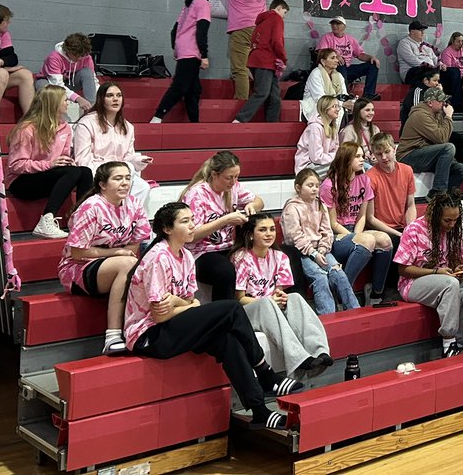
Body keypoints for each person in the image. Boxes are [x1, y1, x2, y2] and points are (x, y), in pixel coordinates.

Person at [123, 202, 286, 429]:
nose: (192, 226)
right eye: (185, 221)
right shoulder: (158, 257)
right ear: (167, 229)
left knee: (227, 341)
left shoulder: (187, 256)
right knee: (231, 308)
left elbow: (193, 301)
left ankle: (259, 410)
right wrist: (188, 306)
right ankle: (265, 372)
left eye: (192, 220)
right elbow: (160, 316)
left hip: (173, 324)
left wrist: (180, 303)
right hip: (148, 335)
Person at [58, 161, 150, 354]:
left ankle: (141, 330)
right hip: (77, 269)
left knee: (143, 265)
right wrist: (114, 252)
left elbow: (134, 247)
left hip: (115, 265)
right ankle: (113, 336)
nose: (125, 183)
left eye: (127, 178)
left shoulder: (134, 204)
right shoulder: (90, 208)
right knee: (128, 263)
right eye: (118, 178)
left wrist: (120, 255)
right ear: (102, 184)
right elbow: (78, 253)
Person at [231, 213, 332, 381]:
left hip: (271, 307)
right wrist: (270, 301)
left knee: (295, 298)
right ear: (250, 234)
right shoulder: (241, 258)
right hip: (250, 310)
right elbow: (240, 298)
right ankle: (298, 359)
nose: (269, 234)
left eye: (271, 229)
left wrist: (280, 298)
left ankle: (320, 351)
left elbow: (279, 292)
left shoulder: (280, 257)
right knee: (266, 304)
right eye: (262, 230)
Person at [394, 190, 463, 358]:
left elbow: (455, 260)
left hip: (444, 279)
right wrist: (437, 271)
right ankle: (448, 344)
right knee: (450, 284)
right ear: (435, 216)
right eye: (447, 220)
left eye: (455, 220)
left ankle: (462, 343)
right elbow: (403, 269)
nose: (451, 224)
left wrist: (457, 269)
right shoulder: (414, 229)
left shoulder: (454, 230)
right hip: (413, 282)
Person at [7, 85, 93, 239]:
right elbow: (16, 165)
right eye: (64, 100)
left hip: (48, 177)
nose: (68, 103)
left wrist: (68, 162)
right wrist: (49, 164)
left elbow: (63, 158)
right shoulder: (27, 129)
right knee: (73, 172)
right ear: (53, 103)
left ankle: (81, 220)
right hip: (21, 182)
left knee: (84, 171)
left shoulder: (65, 128)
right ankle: (47, 219)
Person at [180, 151, 265, 301]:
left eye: (236, 177)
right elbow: (191, 236)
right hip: (200, 252)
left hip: (227, 247)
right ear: (214, 174)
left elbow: (259, 201)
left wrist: (252, 205)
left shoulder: (234, 187)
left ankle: (255, 308)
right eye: (229, 177)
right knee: (225, 271)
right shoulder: (197, 195)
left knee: (258, 258)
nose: (233, 181)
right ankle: (223, 315)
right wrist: (224, 220)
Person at [322, 142, 395, 307]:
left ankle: (376, 293)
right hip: (336, 235)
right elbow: (332, 222)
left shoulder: (364, 180)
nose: (363, 159)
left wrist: (358, 235)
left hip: (356, 230)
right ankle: (341, 293)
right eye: (358, 156)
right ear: (346, 159)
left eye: (362, 156)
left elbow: (362, 216)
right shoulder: (329, 185)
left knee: (385, 240)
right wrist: (355, 238)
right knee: (367, 241)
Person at [280, 169, 360, 314]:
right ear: (298, 187)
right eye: (310, 185)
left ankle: (354, 311)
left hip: (321, 249)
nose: (314, 189)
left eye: (317, 186)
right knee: (320, 277)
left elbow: (327, 231)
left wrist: (323, 248)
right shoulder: (292, 208)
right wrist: (314, 254)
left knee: (339, 274)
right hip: (301, 253)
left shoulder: (320, 204)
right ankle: (327, 315)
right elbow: (295, 237)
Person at [201, 0, 268, 102]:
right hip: (260, 31)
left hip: (242, 29)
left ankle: (241, 102)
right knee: (258, 68)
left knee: (240, 68)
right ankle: (259, 100)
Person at [73, 82, 153, 209]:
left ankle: (127, 220)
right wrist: (108, 173)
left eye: (119, 95)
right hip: (97, 171)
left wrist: (139, 159)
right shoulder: (87, 123)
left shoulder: (127, 126)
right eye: (110, 95)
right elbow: (82, 159)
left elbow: (128, 156)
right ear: (101, 99)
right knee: (123, 177)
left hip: (119, 172)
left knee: (143, 187)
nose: (115, 99)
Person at [150, 0, 212, 124]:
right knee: (180, 86)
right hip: (191, 50)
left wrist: (176, 48)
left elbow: (175, 29)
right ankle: (158, 116)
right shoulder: (202, 3)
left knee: (194, 89)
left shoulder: (189, 4)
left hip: (183, 48)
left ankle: (194, 122)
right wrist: (204, 54)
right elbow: (202, 30)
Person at [397, 87, 463, 193]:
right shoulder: (420, 115)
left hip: (424, 153)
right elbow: (442, 139)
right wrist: (448, 116)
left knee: (460, 169)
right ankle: (438, 192)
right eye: (441, 100)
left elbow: (444, 136)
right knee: (448, 148)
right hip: (408, 155)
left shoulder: (436, 114)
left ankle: (447, 200)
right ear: (430, 102)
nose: (444, 103)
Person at [233, 0, 289, 124]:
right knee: (262, 92)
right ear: (279, 8)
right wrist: (284, 59)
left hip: (256, 59)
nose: (284, 17)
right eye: (284, 13)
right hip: (266, 60)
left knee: (274, 95)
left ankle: (272, 123)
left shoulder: (261, 21)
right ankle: (240, 119)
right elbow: (277, 41)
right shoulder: (276, 19)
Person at [365, 133, 417, 248]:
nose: (383, 157)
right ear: (373, 155)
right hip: (381, 230)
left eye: (387, 152)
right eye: (379, 154)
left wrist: (410, 229)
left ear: (394, 149)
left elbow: (410, 205)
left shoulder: (407, 170)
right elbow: (370, 218)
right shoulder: (369, 178)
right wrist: (400, 235)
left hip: (401, 227)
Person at [316, 16, 381, 101]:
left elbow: (360, 54)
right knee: (340, 63)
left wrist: (371, 57)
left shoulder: (350, 39)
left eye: (338, 24)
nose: (335, 26)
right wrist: (335, 56)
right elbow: (320, 52)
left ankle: (368, 95)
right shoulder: (327, 37)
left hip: (347, 68)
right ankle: (344, 95)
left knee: (373, 65)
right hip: (334, 69)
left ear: (344, 26)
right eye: (333, 24)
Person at [398, 21, 461, 107]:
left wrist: (441, 65)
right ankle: (425, 103)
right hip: (412, 71)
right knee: (423, 70)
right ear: (412, 31)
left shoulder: (425, 46)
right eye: (420, 30)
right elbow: (411, 60)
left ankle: (454, 105)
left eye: (423, 30)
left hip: (431, 70)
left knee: (454, 72)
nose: (423, 32)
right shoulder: (404, 43)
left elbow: (434, 58)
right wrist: (431, 67)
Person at [35, 33, 97, 109]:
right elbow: (57, 85)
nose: (79, 58)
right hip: (50, 82)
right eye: (76, 55)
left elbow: (93, 81)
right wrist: (77, 98)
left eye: (82, 55)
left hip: (71, 82)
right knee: (43, 86)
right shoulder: (54, 57)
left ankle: (91, 109)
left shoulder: (86, 57)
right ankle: (51, 115)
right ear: (67, 50)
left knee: (87, 72)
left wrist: (102, 94)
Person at [302, 49, 354, 125]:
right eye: (332, 58)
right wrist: (341, 104)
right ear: (323, 61)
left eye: (336, 57)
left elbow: (344, 94)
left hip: (335, 104)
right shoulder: (316, 74)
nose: (336, 60)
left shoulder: (339, 75)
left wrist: (350, 102)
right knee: (337, 110)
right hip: (317, 105)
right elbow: (320, 98)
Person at [294, 95, 342, 177]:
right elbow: (316, 157)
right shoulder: (315, 127)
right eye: (334, 106)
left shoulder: (333, 128)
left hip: (324, 163)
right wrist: (338, 156)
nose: (338, 109)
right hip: (307, 168)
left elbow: (336, 150)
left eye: (338, 106)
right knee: (344, 166)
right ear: (325, 109)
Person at [340, 98, 381, 166]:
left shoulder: (375, 129)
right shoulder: (349, 130)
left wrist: (375, 155)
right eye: (367, 110)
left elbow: (379, 147)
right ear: (358, 111)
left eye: (372, 110)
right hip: (357, 163)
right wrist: (362, 156)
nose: (371, 113)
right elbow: (345, 154)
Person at [438, 31, 463, 107]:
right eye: (458, 41)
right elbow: (449, 70)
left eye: (462, 41)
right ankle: (456, 104)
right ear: (453, 41)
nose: (461, 44)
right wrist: (462, 77)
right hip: (454, 77)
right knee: (456, 72)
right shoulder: (447, 52)